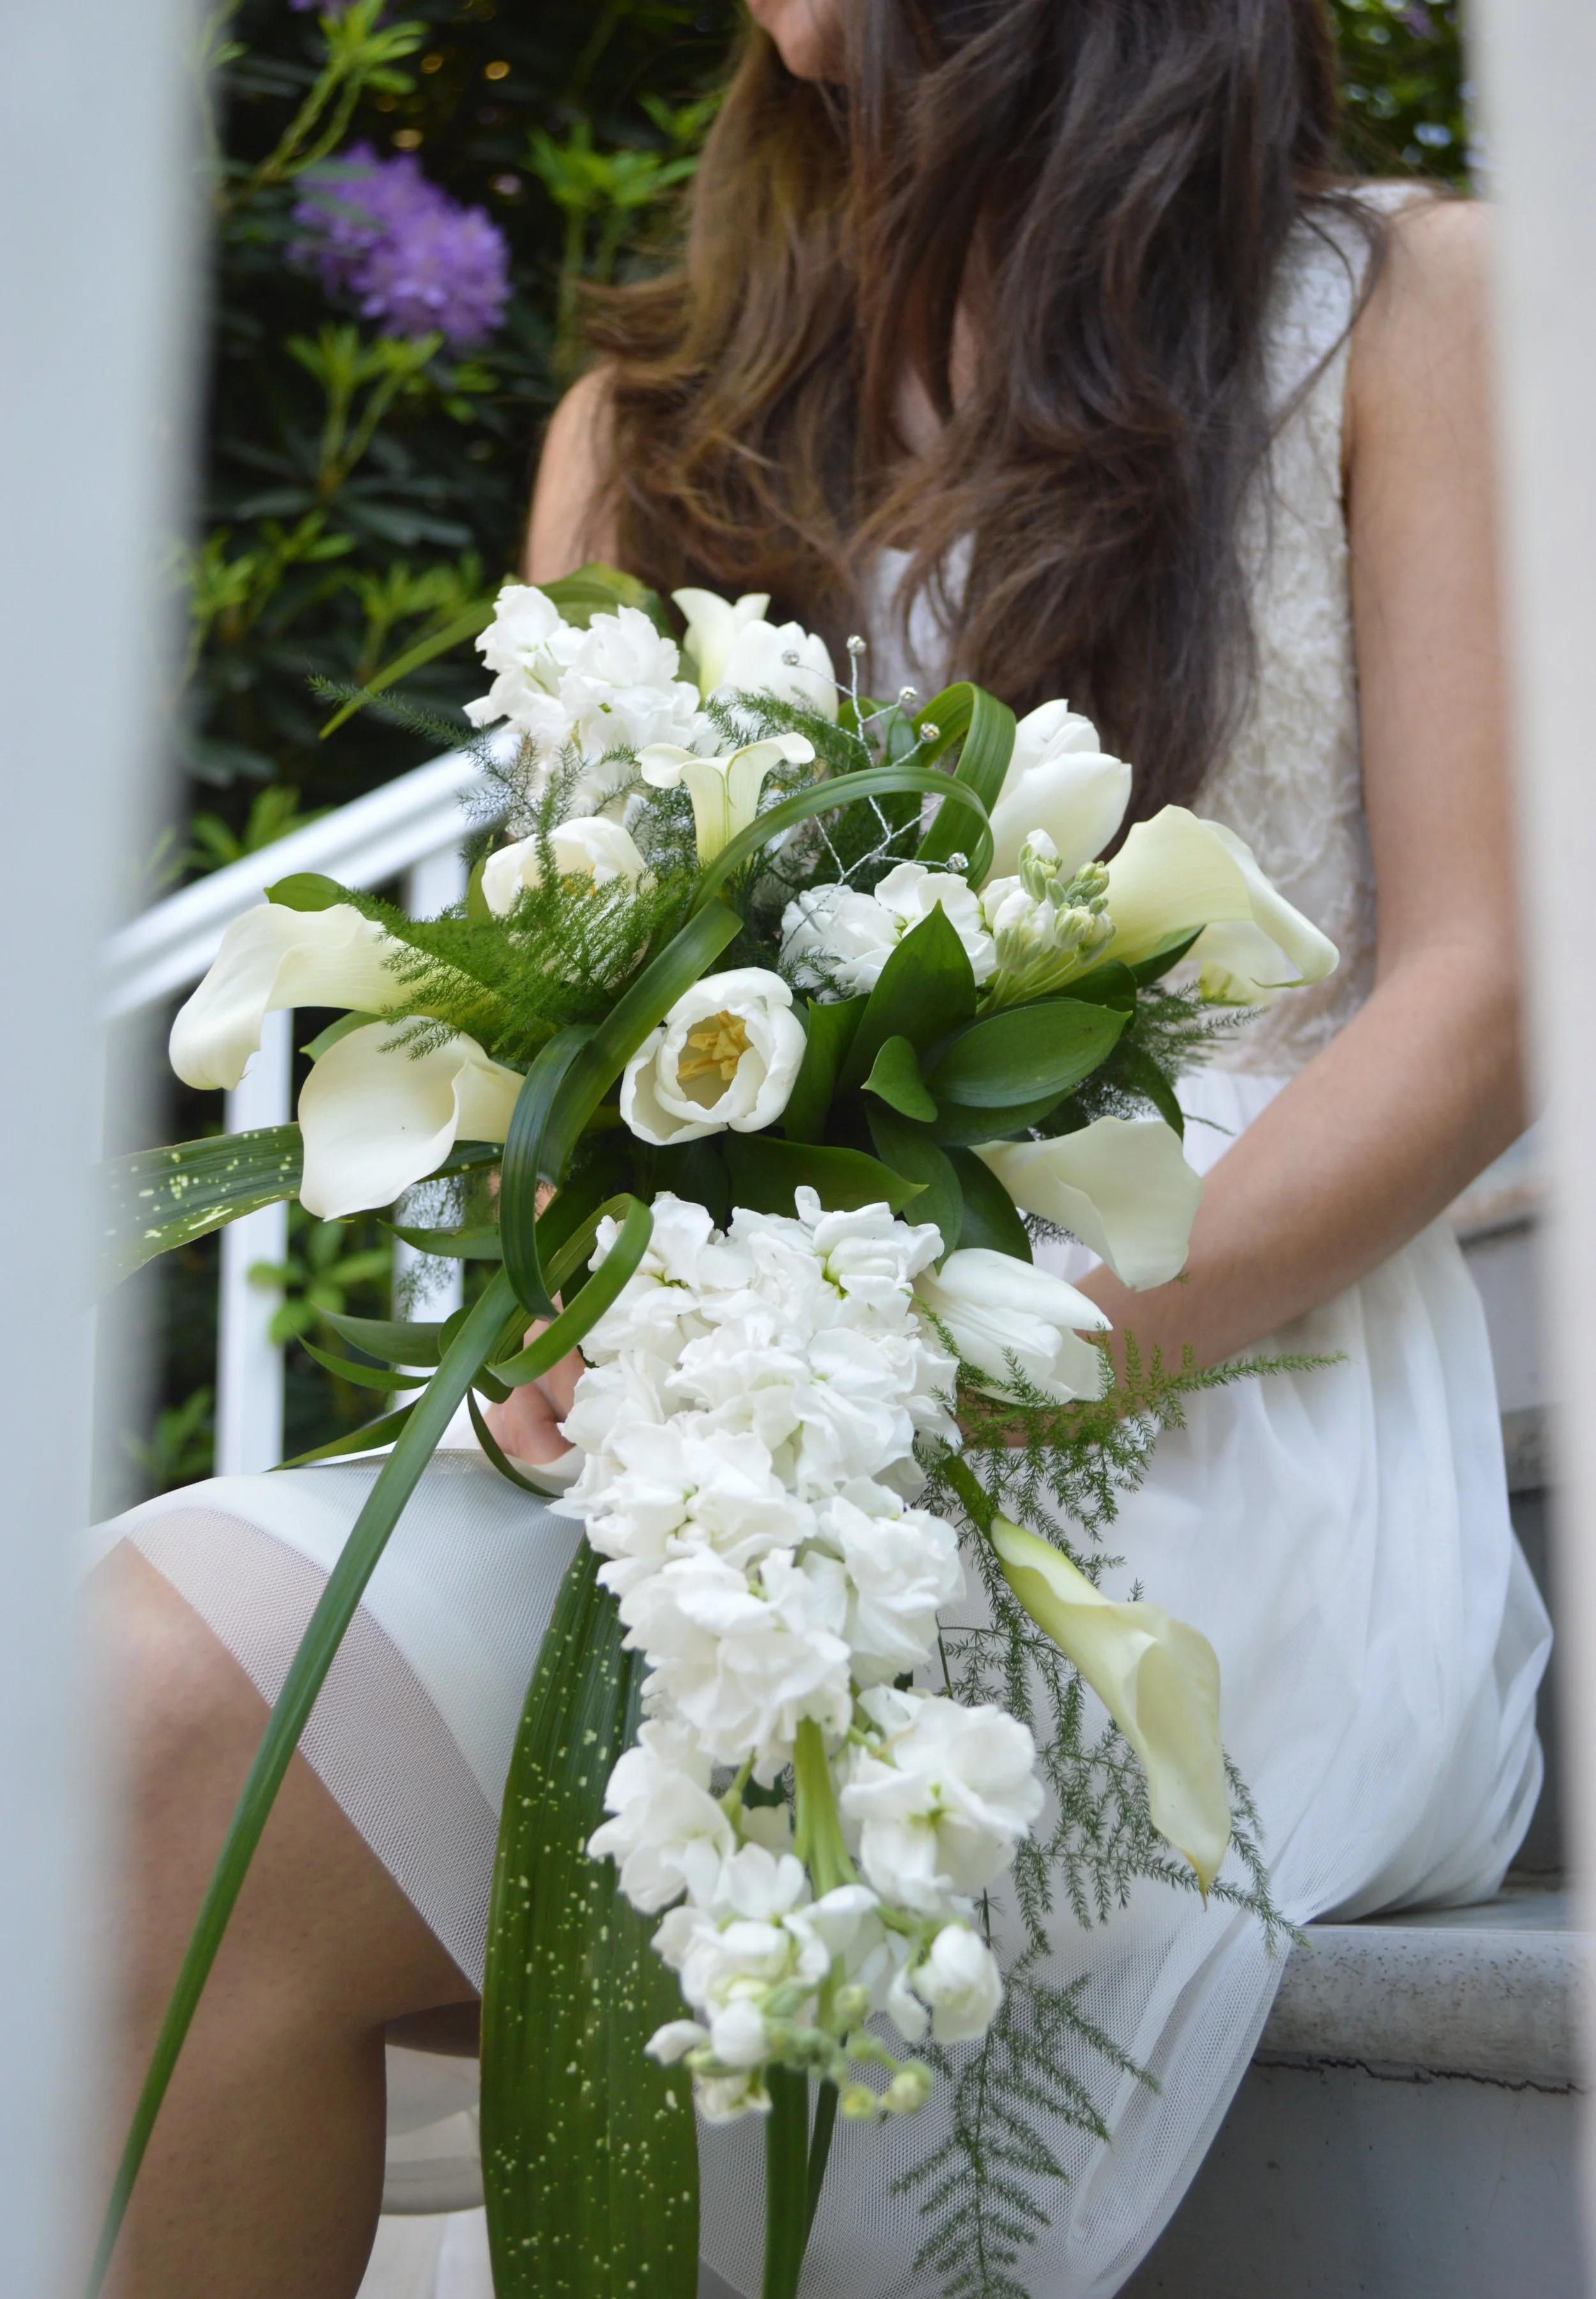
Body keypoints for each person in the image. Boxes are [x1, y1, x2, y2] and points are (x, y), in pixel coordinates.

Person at [94, 3, 1551, 2295]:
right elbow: (597, 1023)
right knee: (129, 1711)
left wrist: (1024, 1343)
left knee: (169, 1733)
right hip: (741, 1408)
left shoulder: (1405, 304)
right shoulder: (648, 425)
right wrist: (557, 1296)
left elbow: (1485, 998)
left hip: (1217, 1404)